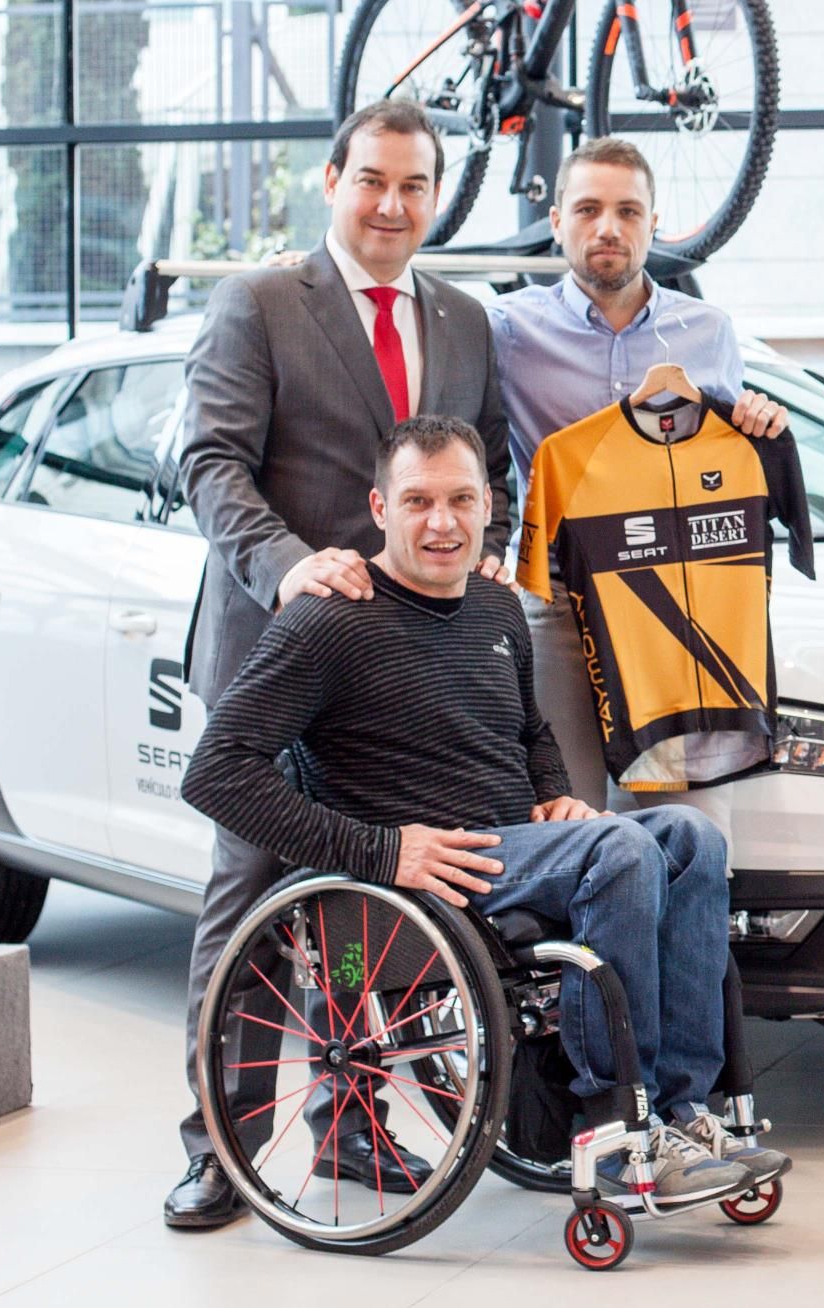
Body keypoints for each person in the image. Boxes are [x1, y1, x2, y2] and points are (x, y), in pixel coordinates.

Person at [181, 416, 784, 1202]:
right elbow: (215, 774)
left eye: (461, 500)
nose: (443, 523)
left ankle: (681, 1111)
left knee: (692, 838)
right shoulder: (327, 620)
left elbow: (529, 730)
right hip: (419, 881)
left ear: (488, 507)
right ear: (379, 508)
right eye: (418, 501)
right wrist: (381, 851)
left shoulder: (496, 609)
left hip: (512, 852)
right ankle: (615, 1125)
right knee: (623, 850)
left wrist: (554, 792)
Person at [165, 99, 515, 1228]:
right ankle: (221, 1145)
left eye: (414, 185)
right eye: (372, 180)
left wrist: (489, 557)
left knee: (381, 909)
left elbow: (492, 468)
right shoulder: (261, 303)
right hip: (287, 656)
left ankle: (352, 1128)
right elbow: (211, 462)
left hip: (413, 673)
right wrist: (287, 565)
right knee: (255, 893)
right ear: (332, 181)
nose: (392, 205)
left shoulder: (464, 319)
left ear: (436, 196)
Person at [487, 137, 789, 805]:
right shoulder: (506, 329)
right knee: (566, 816)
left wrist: (760, 420)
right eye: (588, 209)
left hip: (677, 604)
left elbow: (726, 455)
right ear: (556, 220)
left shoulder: (709, 331)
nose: (608, 228)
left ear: (653, 223)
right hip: (558, 605)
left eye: (628, 211)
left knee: (689, 820)